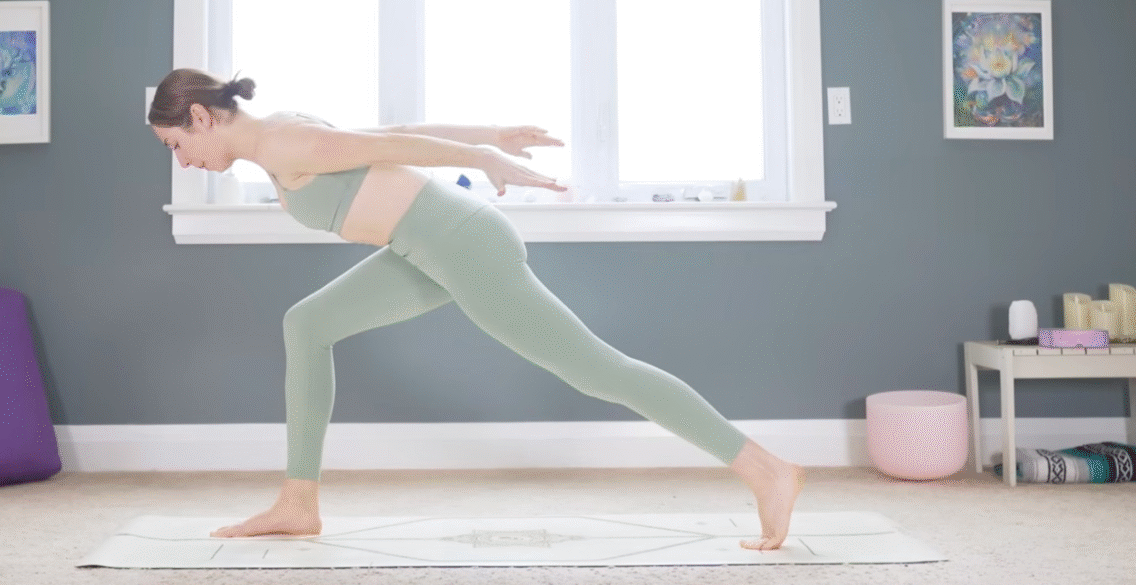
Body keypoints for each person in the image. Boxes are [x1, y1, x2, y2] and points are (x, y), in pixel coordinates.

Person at [147, 68, 805, 551]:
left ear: (200, 117)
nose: (183, 161)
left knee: (599, 370)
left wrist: (483, 154)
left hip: (463, 247)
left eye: (176, 144)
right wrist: (486, 135)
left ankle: (766, 470)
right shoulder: (280, 134)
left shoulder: (285, 144)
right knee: (308, 323)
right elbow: (394, 132)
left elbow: (396, 149)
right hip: (424, 250)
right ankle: (298, 501)